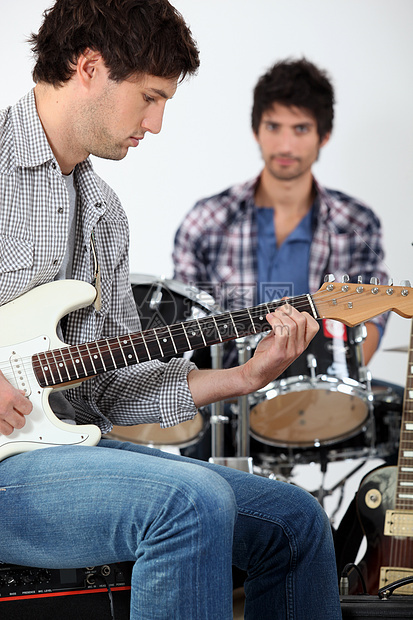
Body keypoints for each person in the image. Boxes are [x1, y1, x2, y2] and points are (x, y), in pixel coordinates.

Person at [0, 2, 342, 619]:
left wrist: (245, 377)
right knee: (191, 500)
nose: (156, 124)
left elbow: (110, 387)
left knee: (296, 521)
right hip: (7, 472)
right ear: (89, 66)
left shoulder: (105, 215)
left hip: (70, 447)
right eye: (150, 97)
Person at [173, 58, 389, 369]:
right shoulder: (206, 221)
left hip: (321, 403)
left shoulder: (355, 223)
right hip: (228, 401)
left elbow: (368, 324)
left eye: (301, 129)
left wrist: (333, 400)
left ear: (323, 136)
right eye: (274, 127)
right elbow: (187, 331)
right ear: (256, 130)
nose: (285, 146)